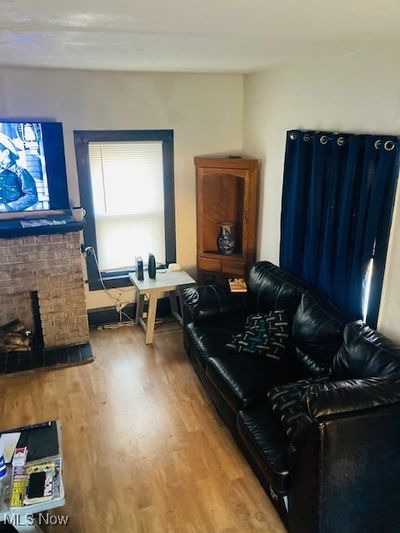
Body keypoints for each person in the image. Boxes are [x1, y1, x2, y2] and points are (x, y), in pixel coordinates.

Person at [0, 133, 38, 212]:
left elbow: (31, 196)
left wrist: (8, 207)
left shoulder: (20, 172)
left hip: (14, 218)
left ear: (6, 152)